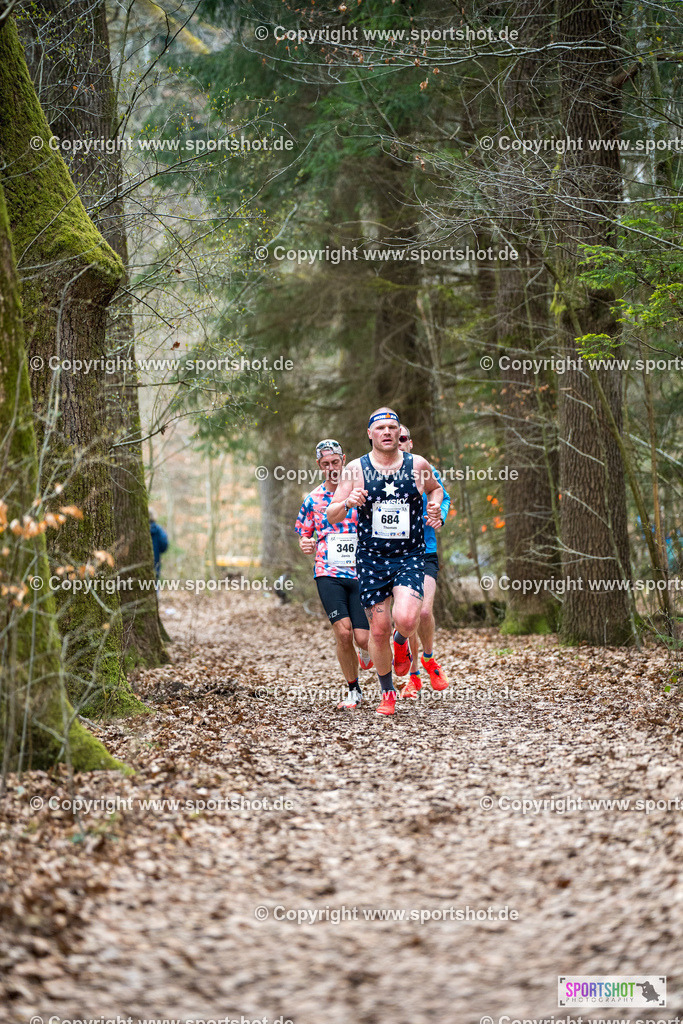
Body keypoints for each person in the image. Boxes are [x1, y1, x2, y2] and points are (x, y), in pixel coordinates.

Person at [327, 408, 443, 716]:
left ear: (399, 432)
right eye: (381, 428)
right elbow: (331, 512)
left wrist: (435, 509)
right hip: (371, 559)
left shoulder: (417, 464)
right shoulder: (355, 469)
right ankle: (387, 692)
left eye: (393, 427)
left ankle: (402, 641)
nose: (388, 432)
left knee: (406, 620)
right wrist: (347, 502)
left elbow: (436, 490)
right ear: (370, 433)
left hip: (409, 555)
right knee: (377, 630)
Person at [295, 439, 372, 710]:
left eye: (335, 462)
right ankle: (354, 691)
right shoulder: (313, 499)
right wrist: (306, 543)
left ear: (344, 460)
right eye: (325, 464)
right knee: (343, 633)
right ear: (319, 466)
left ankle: (368, 652)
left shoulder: (361, 492)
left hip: (361, 571)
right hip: (328, 571)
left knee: (363, 638)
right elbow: (304, 534)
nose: (331, 468)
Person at [397, 425, 450, 698]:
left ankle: (428, 660)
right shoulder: (376, 472)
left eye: (403, 438)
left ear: (410, 443)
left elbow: (442, 493)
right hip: (393, 556)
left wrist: (438, 513)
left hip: (425, 550)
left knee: (424, 613)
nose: (398, 441)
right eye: (394, 438)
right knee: (407, 618)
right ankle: (414, 677)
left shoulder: (422, 468)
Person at [149, 510, 168, 580]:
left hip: (140, 563)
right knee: (154, 581)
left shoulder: (139, 528)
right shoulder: (158, 529)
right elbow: (164, 545)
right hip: (155, 560)